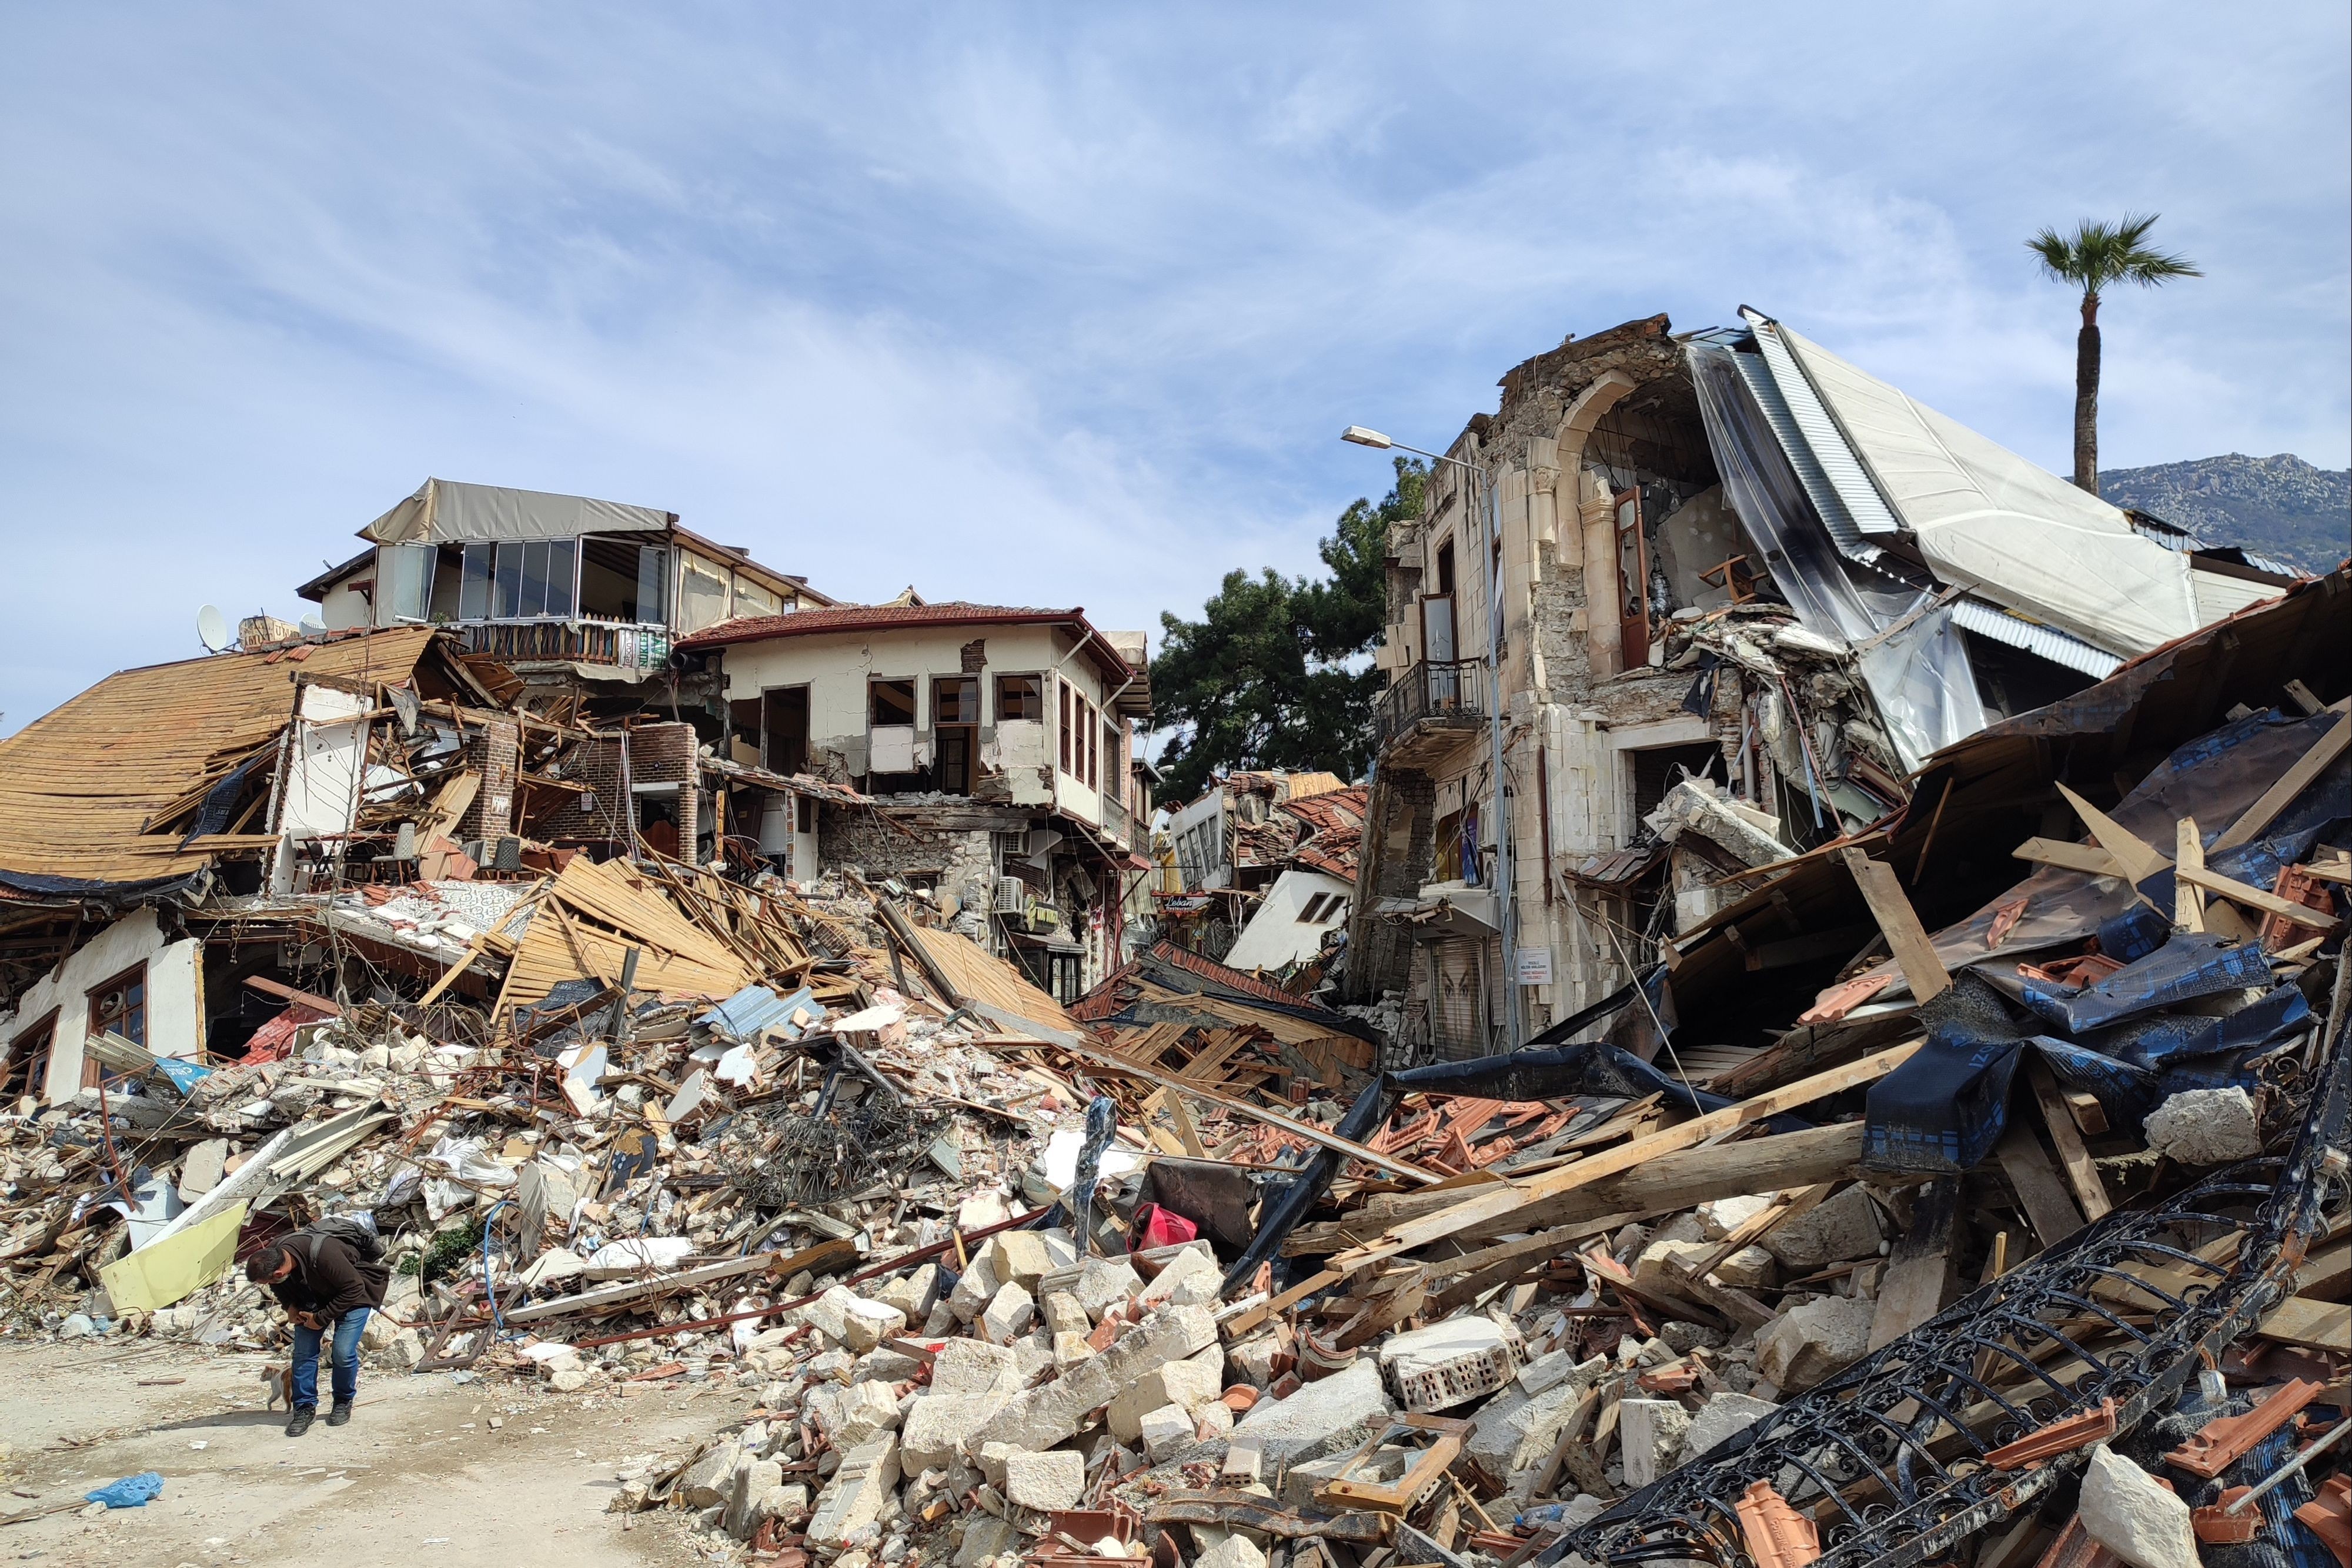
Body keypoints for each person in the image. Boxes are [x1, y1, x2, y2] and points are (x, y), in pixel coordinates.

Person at [246, 1229, 391, 1436]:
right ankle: (304, 1408)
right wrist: (290, 1307)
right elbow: (280, 1290)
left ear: (279, 1274)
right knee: (303, 1354)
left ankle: (342, 1400)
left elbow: (354, 1288)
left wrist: (321, 1319)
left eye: (269, 1282)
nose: (269, 1287)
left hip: (354, 1296)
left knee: (342, 1351)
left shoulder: (324, 1254)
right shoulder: (276, 1255)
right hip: (312, 1298)